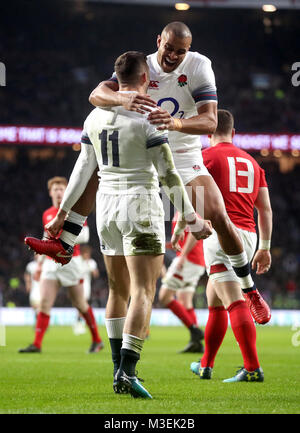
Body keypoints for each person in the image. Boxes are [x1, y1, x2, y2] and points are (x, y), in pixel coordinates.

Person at [34, 21, 270, 325]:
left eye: (180, 51)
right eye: (168, 47)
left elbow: (210, 121)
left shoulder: (199, 67)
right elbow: (96, 94)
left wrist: (176, 124)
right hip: (144, 152)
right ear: (159, 41)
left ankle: (249, 289)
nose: (172, 55)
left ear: (188, 50)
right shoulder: (142, 66)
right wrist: (122, 97)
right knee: (94, 167)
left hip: (182, 154)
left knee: (219, 215)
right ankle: (66, 243)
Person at [27, 51, 212, 398]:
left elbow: (82, 170)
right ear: (145, 79)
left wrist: (62, 214)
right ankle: (127, 371)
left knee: (117, 291)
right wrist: (191, 217)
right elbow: (170, 175)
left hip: (106, 209)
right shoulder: (149, 118)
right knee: (144, 290)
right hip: (140, 205)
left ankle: (117, 369)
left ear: (116, 77)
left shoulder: (94, 117)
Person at [187, 109, 272, 382]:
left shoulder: (206, 157)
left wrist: (182, 225)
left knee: (235, 301)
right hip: (248, 235)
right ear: (233, 133)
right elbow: (266, 210)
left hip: (221, 234)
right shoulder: (252, 163)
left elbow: (195, 198)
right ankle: (205, 365)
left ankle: (251, 368)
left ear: (208, 132)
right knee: (214, 300)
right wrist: (265, 247)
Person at [20, 177, 103, 354]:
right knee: (44, 303)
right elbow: (45, 239)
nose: (58, 192)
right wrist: (40, 263)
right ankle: (37, 344)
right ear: (50, 192)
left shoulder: (75, 210)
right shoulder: (47, 213)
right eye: (55, 189)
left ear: (67, 191)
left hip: (72, 262)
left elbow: (85, 236)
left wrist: (61, 238)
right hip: (50, 263)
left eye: (61, 189)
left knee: (80, 304)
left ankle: (97, 340)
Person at [159, 211, 206, 353]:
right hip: (196, 261)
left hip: (188, 260)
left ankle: (195, 330)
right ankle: (196, 343)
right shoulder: (183, 207)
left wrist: (183, 256)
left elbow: (196, 230)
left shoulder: (190, 206)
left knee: (164, 297)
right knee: (185, 302)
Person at [73, 245, 100, 335]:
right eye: (85, 254)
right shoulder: (78, 261)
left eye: (88, 254)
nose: (87, 256)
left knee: (82, 305)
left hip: (86, 286)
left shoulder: (91, 262)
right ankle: (79, 324)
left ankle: (78, 323)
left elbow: (96, 275)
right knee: (82, 304)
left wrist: (91, 267)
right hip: (78, 285)